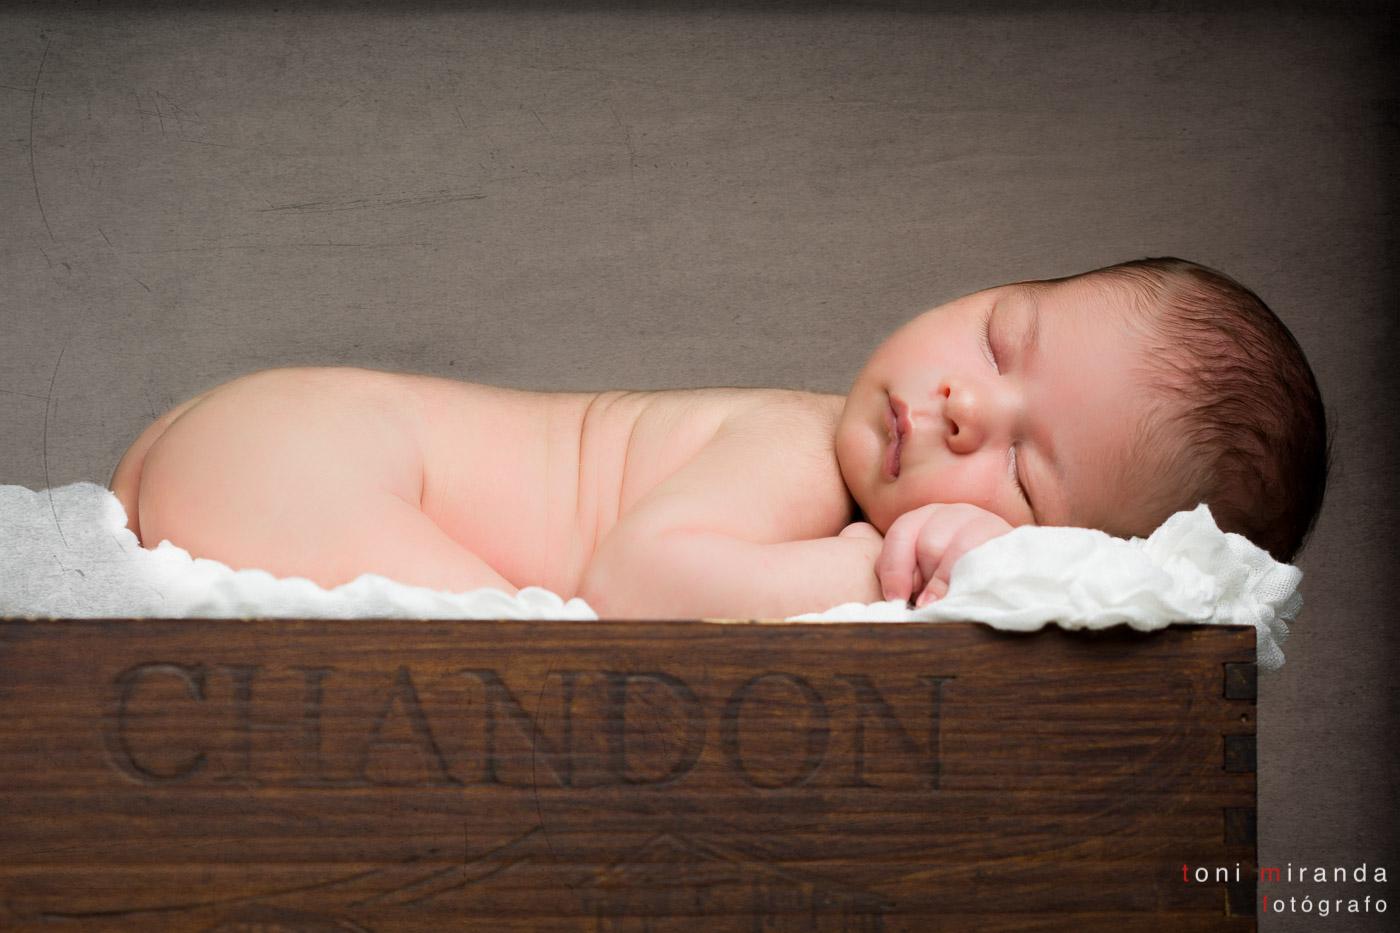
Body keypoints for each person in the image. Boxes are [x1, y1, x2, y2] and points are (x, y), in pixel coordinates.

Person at [108, 258, 1328, 619]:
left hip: (265, 443)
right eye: (1003, 340)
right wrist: (869, 568)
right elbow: (634, 584)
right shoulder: (794, 451)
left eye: (1019, 466)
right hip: (317, 455)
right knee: (515, 679)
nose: (967, 404)